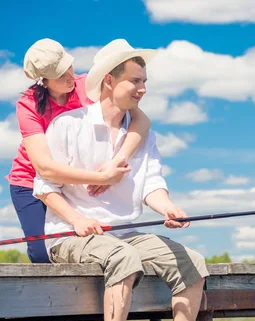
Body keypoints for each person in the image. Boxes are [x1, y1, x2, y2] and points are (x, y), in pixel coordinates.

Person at [33, 39, 216, 321]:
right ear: (108, 82)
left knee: (192, 262)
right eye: (135, 80)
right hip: (69, 235)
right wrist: (76, 220)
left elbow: (151, 184)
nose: (143, 88)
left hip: (126, 232)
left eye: (144, 81)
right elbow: (45, 188)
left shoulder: (141, 133)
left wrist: (168, 208)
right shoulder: (67, 125)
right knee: (124, 257)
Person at [6, 38, 151, 263]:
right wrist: (101, 177)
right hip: (29, 182)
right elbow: (45, 168)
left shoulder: (88, 86)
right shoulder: (28, 104)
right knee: (42, 253)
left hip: (77, 181)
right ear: (43, 81)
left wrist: (115, 163)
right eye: (60, 75)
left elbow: (141, 121)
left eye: (69, 67)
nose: (70, 77)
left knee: (92, 241)